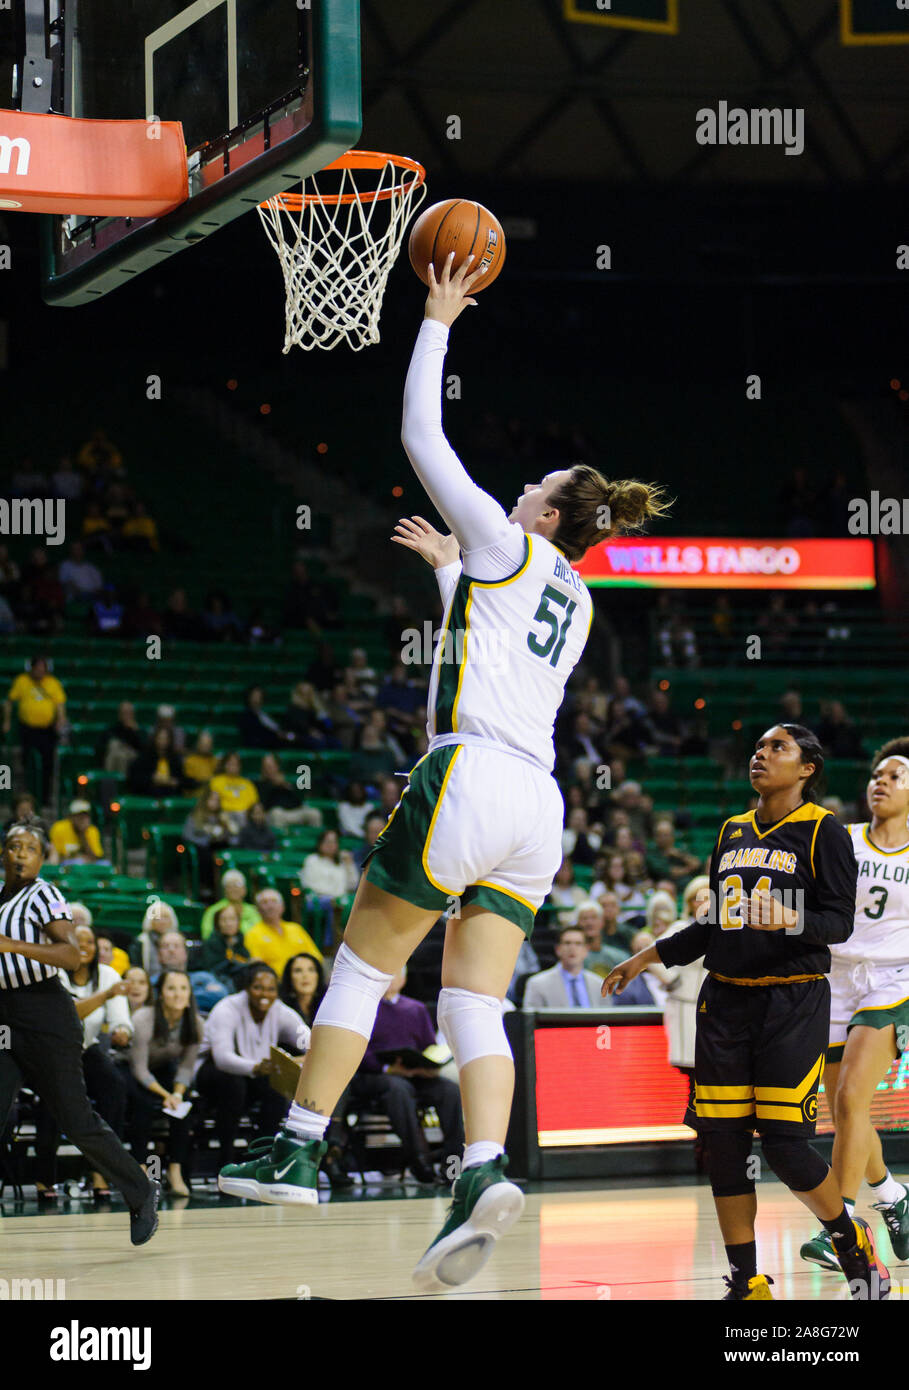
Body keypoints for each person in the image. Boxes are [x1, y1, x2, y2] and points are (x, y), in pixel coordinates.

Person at [217, 253, 668, 1299]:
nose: (518, 492)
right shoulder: (577, 597)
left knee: (365, 970)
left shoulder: (505, 545)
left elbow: (422, 439)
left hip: (465, 777)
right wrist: (448, 575)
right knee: (474, 996)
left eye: (534, 490)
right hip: (538, 807)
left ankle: (295, 1148)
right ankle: (482, 1169)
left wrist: (436, 319)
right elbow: (497, 625)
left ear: (550, 516)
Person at [604, 723, 889, 1301]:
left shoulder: (824, 831)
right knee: (726, 1145)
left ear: (807, 767)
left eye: (776, 748)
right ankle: (747, 1280)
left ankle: (849, 1240)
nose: (761, 755)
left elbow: (839, 923)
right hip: (725, 1001)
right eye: (758, 748)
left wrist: (788, 920)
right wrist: (646, 957)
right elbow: (714, 922)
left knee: (784, 1145)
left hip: (792, 999)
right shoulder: (732, 830)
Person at [0, 822, 158, 1242]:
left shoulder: (43, 894)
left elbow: (71, 955)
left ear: (41, 858)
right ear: (2, 853)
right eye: (13, 846)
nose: (20, 854)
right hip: (5, 1015)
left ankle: (141, 1189)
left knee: (76, 1119)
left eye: (30, 848)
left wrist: (12, 946)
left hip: (45, 1012)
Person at [800, 738, 909, 1274]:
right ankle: (892, 1195)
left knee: (848, 1100)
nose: (880, 781)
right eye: (876, 775)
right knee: (846, 1112)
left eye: (894, 775)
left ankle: (841, 1226)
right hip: (836, 978)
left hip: (894, 981)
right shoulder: (843, 839)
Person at [348, 965, 464, 1185]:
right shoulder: (364, 1007)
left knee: (449, 1091)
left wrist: (429, 1066)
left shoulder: (416, 1009)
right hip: (376, 1076)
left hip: (414, 1074)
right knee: (398, 1089)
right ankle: (420, 1160)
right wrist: (387, 1069)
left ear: (404, 978)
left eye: (396, 972)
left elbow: (429, 1047)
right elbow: (355, 1050)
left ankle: (453, 1164)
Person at [195, 964, 309, 1177]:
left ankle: (261, 1158)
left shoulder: (280, 1010)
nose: (265, 994)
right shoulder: (226, 1008)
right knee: (233, 1085)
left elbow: (309, 1040)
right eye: (258, 987)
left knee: (276, 1089)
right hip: (210, 1071)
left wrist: (304, 1056)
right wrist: (255, 1067)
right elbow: (222, 1058)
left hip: (254, 1073)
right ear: (246, 988)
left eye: (271, 989)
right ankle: (225, 1160)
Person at [59, 923, 133, 1198]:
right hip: (55, 1052)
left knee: (115, 1085)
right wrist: (106, 995)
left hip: (87, 1048)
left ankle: (103, 1170)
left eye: (89, 942)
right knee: (54, 1101)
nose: (85, 948)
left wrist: (123, 1030)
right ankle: (45, 1177)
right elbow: (71, 1013)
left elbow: (119, 1016)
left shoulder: (109, 974)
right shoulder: (55, 973)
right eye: (78, 942)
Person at [128, 970, 202, 1196]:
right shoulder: (143, 1018)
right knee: (141, 1104)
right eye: (171, 988)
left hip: (163, 1069)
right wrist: (165, 1095)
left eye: (183, 988)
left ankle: (174, 1169)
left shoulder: (196, 1023)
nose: (178, 994)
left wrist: (177, 1095)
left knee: (185, 1106)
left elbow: (186, 1067)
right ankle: (141, 1168)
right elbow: (138, 1069)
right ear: (161, 994)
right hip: (132, 1069)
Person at [659, 875, 711, 1128]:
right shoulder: (679, 927)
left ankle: (707, 1140)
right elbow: (654, 956)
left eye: (709, 897)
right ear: (689, 902)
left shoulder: (724, 928)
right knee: (696, 1078)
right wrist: (672, 982)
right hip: (686, 1008)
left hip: (715, 1008)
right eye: (698, 898)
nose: (703, 903)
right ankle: (701, 1140)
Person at [2, 656, 67, 810]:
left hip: (47, 730)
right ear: (31, 668)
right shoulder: (22, 681)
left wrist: (61, 720)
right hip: (27, 729)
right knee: (27, 763)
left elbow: (60, 704)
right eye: (37, 667)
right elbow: (9, 701)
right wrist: (6, 721)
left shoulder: (53, 683)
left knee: (47, 764)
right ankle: (26, 798)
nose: (40, 670)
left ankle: (44, 798)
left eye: (42, 667)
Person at [523, 925, 612, 1008]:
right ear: (558, 949)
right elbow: (530, 1022)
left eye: (578, 943)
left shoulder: (600, 984)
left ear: (586, 950)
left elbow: (607, 1021)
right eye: (567, 943)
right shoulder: (537, 984)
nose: (572, 948)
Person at [299, 830, 358, 952]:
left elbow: (353, 884)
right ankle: (329, 946)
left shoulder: (340, 863)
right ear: (320, 843)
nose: (331, 845)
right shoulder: (312, 860)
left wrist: (349, 864)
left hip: (339, 900)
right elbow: (309, 884)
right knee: (334, 904)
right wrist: (334, 896)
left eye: (334, 842)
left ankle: (353, 946)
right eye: (327, 841)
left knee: (355, 905)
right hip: (316, 899)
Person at [244, 889, 323, 975]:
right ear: (258, 909)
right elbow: (257, 966)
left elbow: (316, 957)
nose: (270, 906)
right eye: (265, 902)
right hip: (275, 984)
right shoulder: (253, 934)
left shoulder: (296, 929)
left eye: (274, 901)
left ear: (282, 907)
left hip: (304, 980)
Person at [198, 903, 252, 986]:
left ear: (238, 922)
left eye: (232, 919)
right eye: (223, 920)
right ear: (217, 923)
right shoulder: (211, 943)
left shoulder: (240, 941)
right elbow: (213, 969)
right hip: (219, 982)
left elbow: (246, 960)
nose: (228, 923)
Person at [199, 868, 260, 941]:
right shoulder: (214, 911)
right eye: (230, 886)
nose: (234, 889)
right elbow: (207, 936)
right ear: (224, 890)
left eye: (238, 885)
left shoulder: (253, 910)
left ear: (245, 890)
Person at [127, 727, 186, 798]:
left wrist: (174, 782)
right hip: (148, 794)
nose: (163, 741)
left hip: (170, 793)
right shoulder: (145, 757)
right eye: (160, 738)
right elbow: (134, 777)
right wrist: (151, 779)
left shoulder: (175, 759)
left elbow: (181, 779)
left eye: (166, 739)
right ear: (154, 739)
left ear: (170, 740)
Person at [49, 799, 107, 865]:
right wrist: (78, 857)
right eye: (79, 815)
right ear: (71, 816)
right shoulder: (59, 828)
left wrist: (83, 835)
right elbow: (56, 856)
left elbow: (95, 857)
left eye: (85, 815)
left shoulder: (92, 830)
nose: (82, 819)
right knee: (78, 862)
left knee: (105, 864)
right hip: (66, 866)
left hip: (87, 865)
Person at [279, 952, 327, 1028]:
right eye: (298, 970)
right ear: (289, 977)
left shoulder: (328, 1005)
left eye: (311, 970)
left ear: (318, 975)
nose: (305, 975)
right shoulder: (281, 1009)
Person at [209, 751, 259, 818]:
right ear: (225, 765)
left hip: (245, 816)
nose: (233, 766)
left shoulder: (247, 783)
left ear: (240, 766)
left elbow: (254, 804)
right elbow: (213, 802)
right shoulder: (216, 781)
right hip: (225, 814)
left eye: (236, 763)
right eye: (230, 763)